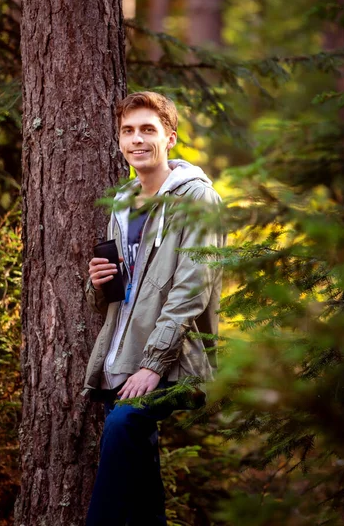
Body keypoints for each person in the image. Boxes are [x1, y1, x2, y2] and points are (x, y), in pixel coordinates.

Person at [84, 92, 224, 526]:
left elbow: (191, 289)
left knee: (124, 426)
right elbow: (122, 297)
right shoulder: (122, 204)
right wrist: (100, 284)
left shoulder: (197, 199)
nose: (136, 139)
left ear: (170, 138)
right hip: (120, 358)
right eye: (128, 131)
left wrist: (152, 364)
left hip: (171, 360)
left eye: (148, 130)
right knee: (142, 488)